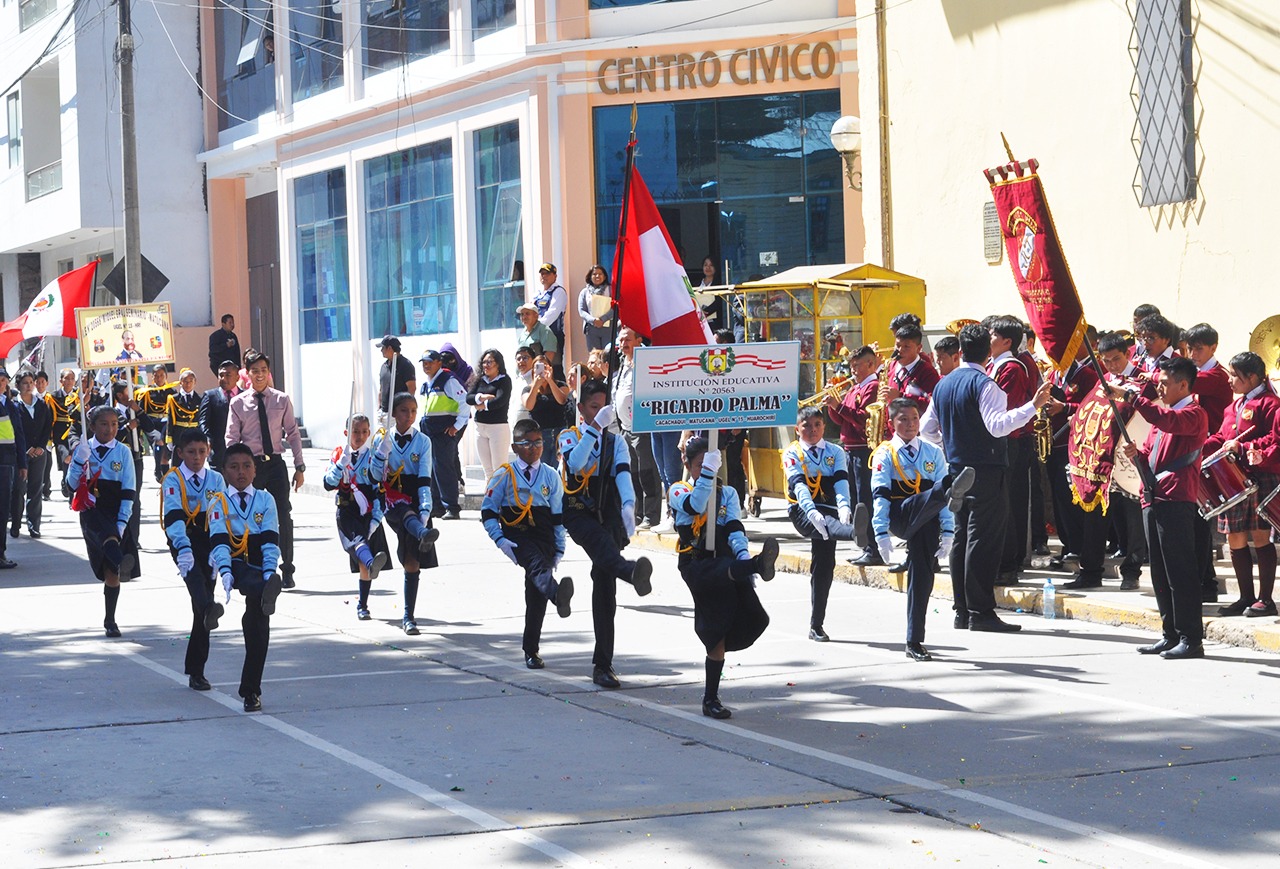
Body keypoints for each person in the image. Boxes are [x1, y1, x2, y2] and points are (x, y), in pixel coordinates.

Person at [920, 323, 1051, 633]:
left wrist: (951, 445)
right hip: (985, 469)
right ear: (987, 352)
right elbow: (997, 426)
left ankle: (962, 609)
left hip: (957, 467)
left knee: (962, 536)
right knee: (982, 538)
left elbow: (927, 429)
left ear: (961, 352)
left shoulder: (944, 384)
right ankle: (979, 610)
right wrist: (1032, 407)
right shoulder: (985, 384)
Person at [671, 437, 778, 719]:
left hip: (725, 558)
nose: (705, 470)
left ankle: (710, 699)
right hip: (696, 561)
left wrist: (742, 554)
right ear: (688, 464)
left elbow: (733, 527)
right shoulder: (679, 489)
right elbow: (695, 505)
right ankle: (756, 565)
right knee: (718, 580)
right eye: (698, 465)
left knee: (730, 625)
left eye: (710, 464)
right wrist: (707, 472)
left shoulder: (727, 493)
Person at [1109, 356, 1208, 659]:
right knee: (1160, 574)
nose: (1160, 388)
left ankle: (1191, 637)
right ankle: (1170, 634)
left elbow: (1168, 423)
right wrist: (1136, 453)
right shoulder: (1164, 415)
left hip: (1176, 499)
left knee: (1180, 571)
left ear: (1183, 384)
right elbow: (1152, 452)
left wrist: (1131, 397)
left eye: (1165, 384)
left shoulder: (1193, 414)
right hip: (1153, 496)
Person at [559, 379, 654, 688]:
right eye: (593, 407)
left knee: (604, 583)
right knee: (602, 548)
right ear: (581, 408)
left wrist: (629, 506)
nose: (600, 413)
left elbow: (624, 476)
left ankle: (603, 664)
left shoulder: (617, 443)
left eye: (604, 408)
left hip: (608, 511)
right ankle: (630, 571)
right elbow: (575, 464)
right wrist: (594, 429)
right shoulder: (570, 436)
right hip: (579, 509)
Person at [871, 398, 971, 661]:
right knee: (941, 490)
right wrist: (880, 533)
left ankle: (914, 640)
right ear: (892, 423)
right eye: (903, 419)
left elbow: (943, 506)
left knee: (923, 579)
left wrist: (948, 532)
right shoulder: (884, 453)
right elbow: (880, 495)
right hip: (900, 515)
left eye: (915, 418)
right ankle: (950, 486)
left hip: (926, 518)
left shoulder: (932, 452)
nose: (910, 424)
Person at [481, 418, 575, 669]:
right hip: (518, 534)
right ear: (515, 446)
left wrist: (559, 547)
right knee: (535, 565)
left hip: (543, 534)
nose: (534, 448)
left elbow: (557, 516)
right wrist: (500, 539)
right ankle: (557, 594)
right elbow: (488, 511)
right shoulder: (503, 475)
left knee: (536, 596)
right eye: (527, 443)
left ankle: (531, 650)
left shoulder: (551, 476)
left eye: (538, 443)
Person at [1201, 352, 1280, 617]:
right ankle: (1245, 597)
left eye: (1235, 375)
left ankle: (1265, 599)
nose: (1230, 380)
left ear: (1253, 376)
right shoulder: (1232, 407)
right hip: (1231, 479)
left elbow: (1275, 438)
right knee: (1234, 537)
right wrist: (1202, 445)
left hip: (1259, 477)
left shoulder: (1270, 404)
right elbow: (1223, 437)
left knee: (1260, 535)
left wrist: (1245, 446)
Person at [208, 443, 285, 712]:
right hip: (235, 558)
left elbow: (270, 540)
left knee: (258, 630)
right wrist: (225, 573)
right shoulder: (218, 501)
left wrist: (269, 572)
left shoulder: (265, 499)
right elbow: (218, 540)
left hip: (260, 561)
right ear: (224, 472)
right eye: (234, 467)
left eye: (247, 466)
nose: (241, 472)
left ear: (255, 470)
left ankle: (251, 691)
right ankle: (265, 588)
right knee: (247, 577)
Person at [783, 406, 866, 642]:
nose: (812, 430)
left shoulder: (835, 452)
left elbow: (841, 482)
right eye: (806, 425)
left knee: (824, 567)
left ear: (824, 426)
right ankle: (854, 533)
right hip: (802, 510)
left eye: (817, 425)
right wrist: (810, 511)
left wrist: (845, 507)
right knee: (827, 525)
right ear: (797, 428)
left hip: (829, 510)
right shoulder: (792, 453)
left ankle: (816, 625)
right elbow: (799, 485)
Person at [225, 350, 305, 589]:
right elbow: (231, 438)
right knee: (249, 516)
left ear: (268, 372)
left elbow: (292, 433)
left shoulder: (281, 399)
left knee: (283, 515)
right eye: (254, 371)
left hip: (276, 464)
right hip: (251, 467)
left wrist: (299, 466)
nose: (259, 375)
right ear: (247, 374)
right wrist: (236, 470)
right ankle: (253, 564)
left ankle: (287, 569)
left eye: (263, 370)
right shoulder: (238, 403)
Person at [161, 429, 227, 691]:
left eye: (202, 451)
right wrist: (183, 549)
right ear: (180, 453)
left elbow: (222, 514)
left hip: (209, 539)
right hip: (183, 537)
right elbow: (174, 515)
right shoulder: (173, 479)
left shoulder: (216, 479)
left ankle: (196, 670)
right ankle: (196, 669)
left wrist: (218, 547)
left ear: (208, 450)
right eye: (191, 452)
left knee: (202, 606)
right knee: (196, 582)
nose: (197, 457)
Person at [370, 393, 441, 634]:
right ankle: (422, 532)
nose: (408, 416)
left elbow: (424, 478)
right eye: (403, 410)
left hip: (415, 495)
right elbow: (373, 475)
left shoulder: (423, 441)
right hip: (390, 495)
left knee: (412, 561)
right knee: (402, 512)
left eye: (413, 410)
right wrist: (381, 454)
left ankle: (408, 616)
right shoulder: (382, 439)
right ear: (393, 413)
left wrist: (425, 509)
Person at [67, 405, 136, 635]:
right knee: (108, 540)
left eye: (115, 424)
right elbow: (70, 486)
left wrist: (123, 522)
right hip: (91, 509)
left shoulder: (123, 452)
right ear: (93, 426)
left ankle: (110, 620)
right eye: (104, 424)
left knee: (112, 573)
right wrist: (78, 462)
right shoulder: (84, 449)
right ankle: (120, 556)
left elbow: (129, 491)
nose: (110, 429)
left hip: (115, 510)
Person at [323, 414, 391, 619]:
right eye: (355, 432)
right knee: (356, 544)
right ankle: (372, 565)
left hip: (367, 511)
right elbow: (328, 483)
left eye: (364, 432)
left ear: (369, 433)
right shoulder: (338, 454)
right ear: (346, 434)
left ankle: (362, 605)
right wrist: (339, 466)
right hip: (346, 509)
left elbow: (379, 489)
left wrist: (376, 519)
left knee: (363, 556)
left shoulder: (372, 457)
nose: (359, 436)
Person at [987, 315, 1036, 584]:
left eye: (992, 334)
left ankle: (1011, 562)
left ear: (1007, 341)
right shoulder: (993, 365)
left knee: (1008, 503)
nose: (988, 338)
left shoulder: (1011, 368)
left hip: (1010, 440)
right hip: (998, 441)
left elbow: (1007, 408)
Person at [827, 344, 881, 566]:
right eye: (852, 366)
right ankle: (865, 545)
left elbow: (861, 418)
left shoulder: (873, 387)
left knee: (865, 500)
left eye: (857, 366)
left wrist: (839, 407)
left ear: (870, 364)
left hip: (863, 449)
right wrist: (832, 404)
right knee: (856, 499)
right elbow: (841, 421)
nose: (853, 371)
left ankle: (873, 548)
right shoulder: (855, 388)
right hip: (849, 448)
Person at [612, 326, 662, 530]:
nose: (623, 344)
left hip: (641, 427)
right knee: (632, 472)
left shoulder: (644, 362)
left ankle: (652, 514)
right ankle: (638, 514)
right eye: (621, 340)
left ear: (639, 340)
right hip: (625, 428)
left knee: (646, 472)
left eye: (627, 340)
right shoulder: (624, 363)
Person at [418, 349, 468, 520]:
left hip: (443, 432)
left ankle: (452, 507)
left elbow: (465, 403)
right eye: (424, 362)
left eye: (430, 361)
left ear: (439, 362)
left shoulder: (448, 380)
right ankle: (437, 506)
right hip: (429, 432)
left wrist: (457, 426)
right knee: (431, 469)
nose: (426, 365)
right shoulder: (427, 384)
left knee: (444, 468)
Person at [10, 372, 50, 539]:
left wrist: (41, 446)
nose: (28, 385)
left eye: (31, 382)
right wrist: (24, 448)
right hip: (21, 454)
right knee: (19, 489)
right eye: (24, 383)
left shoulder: (42, 405)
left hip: (39, 454)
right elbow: (13, 430)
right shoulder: (13, 406)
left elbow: (47, 426)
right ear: (18, 385)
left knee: (36, 489)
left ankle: (34, 525)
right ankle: (16, 523)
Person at [467, 349, 513, 482]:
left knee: (499, 469)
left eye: (490, 362)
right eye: (484, 362)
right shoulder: (480, 380)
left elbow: (500, 401)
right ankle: (490, 498)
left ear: (498, 364)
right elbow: (468, 398)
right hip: (480, 428)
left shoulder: (504, 380)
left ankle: (501, 498)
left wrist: (483, 406)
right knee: (487, 470)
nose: (486, 365)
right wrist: (482, 397)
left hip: (497, 428)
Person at [0, 370, 27, 568]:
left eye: (3, 380)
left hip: (7, 462)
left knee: (3, 509)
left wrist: (22, 464)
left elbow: (18, 435)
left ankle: (1, 554)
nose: (0, 383)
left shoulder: (11, 405)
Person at [523, 354, 568, 470]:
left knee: (558, 470)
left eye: (545, 366)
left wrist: (550, 381)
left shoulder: (560, 385)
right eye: (538, 367)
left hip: (559, 433)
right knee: (540, 470)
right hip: (539, 436)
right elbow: (528, 405)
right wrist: (536, 386)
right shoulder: (528, 389)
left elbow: (562, 400)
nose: (541, 370)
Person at [885, 321, 940, 412]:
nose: (900, 350)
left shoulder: (927, 372)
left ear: (918, 348)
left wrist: (901, 396)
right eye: (898, 345)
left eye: (906, 346)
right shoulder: (892, 365)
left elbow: (932, 404)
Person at [136, 364, 176, 482]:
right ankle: (158, 468)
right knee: (159, 440)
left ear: (166, 376)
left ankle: (165, 473)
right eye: (156, 376)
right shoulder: (147, 392)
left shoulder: (171, 391)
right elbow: (141, 411)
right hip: (152, 423)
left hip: (166, 422)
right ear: (152, 377)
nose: (159, 378)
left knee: (164, 446)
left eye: (161, 375)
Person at [199, 361, 239, 471]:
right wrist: (207, 440)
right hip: (218, 452)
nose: (223, 378)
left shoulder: (246, 396)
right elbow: (203, 422)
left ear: (237, 377)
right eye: (221, 375)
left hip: (241, 452)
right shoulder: (210, 396)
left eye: (228, 375)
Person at [47, 368, 79, 497]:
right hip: (60, 433)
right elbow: (49, 417)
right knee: (66, 457)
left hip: (75, 432)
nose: (70, 381)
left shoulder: (78, 395)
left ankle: (70, 488)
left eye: (72, 378)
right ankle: (66, 481)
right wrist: (49, 438)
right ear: (61, 380)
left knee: (74, 460)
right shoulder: (54, 396)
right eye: (67, 378)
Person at [532, 263, 568, 365]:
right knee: (538, 365)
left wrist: (536, 326)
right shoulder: (537, 294)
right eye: (542, 273)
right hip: (538, 336)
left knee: (554, 367)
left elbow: (552, 313)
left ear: (555, 276)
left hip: (553, 335)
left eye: (547, 273)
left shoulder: (559, 291)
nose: (544, 276)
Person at [579, 265, 614, 352]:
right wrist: (593, 320)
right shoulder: (585, 292)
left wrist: (603, 319)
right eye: (594, 274)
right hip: (591, 328)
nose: (597, 276)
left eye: (600, 274)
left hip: (608, 327)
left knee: (608, 354)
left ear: (605, 276)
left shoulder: (611, 290)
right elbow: (582, 310)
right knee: (594, 355)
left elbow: (615, 307)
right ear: (590, 277)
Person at [164, 368, 201, 449]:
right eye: (185, 381)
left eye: (191, 381)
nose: (188, 384)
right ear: (180, 383)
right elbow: (170, 419)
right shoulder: (174, 399)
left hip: (195, 434)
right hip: (179, 434)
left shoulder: (200, 399)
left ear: (195, 382)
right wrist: (169, 438)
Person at [377, 335, 416, 413]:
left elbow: (412, 388)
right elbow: (381, 388)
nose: (381, 350)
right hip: (383, 412)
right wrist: (379, 407)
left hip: (397, 413)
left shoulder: (405, 365)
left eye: (383, 348)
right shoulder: (384, 366)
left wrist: (405, 409)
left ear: (390, 348)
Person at [512, 346, 536, 424]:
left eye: (525, 358)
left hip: (530, 422)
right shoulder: (516, 380)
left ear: (533, 360)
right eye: (518, 359)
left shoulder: (536, 378)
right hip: (516, 422)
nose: (521, 361)